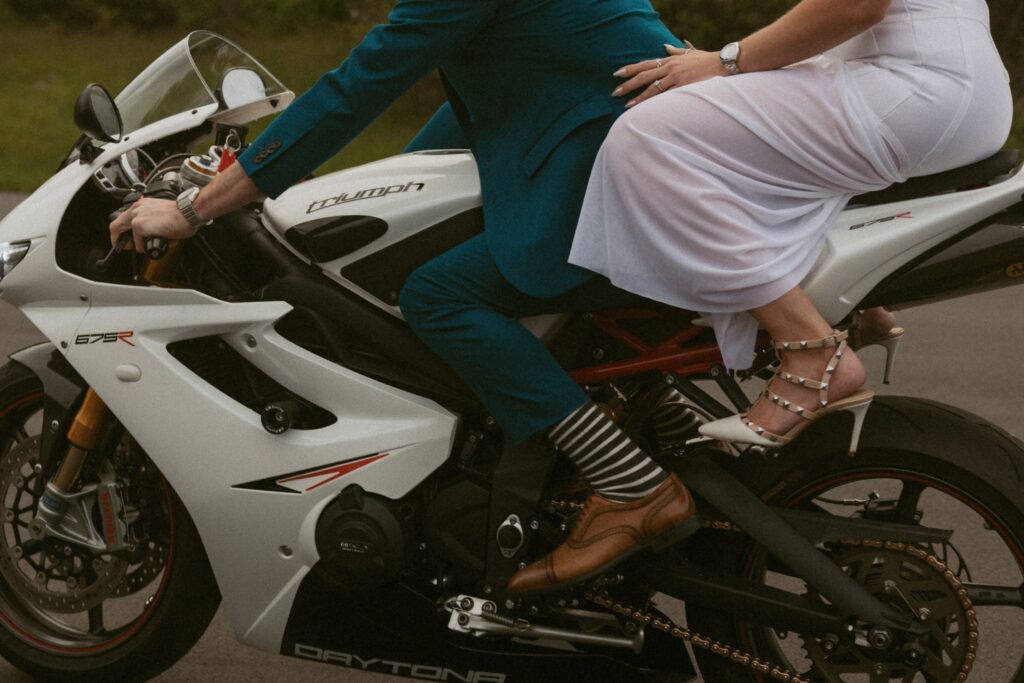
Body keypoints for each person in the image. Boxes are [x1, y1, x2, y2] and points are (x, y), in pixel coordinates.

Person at [110, 0, 705, 596]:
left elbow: (361, 84)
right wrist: (349, 189)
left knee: (440, 296)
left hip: (621, 183)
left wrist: (198, 206)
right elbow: (494, 88)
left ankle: (631, 483)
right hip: (661, 162)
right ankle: (672, 439)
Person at [570, 0, 1013, 453]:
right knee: (732, 135)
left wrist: (726, 61)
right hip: (949, 87)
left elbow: (856, 6)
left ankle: (811, 351)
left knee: (647, 139)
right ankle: (852, 306)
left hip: (912, 91)